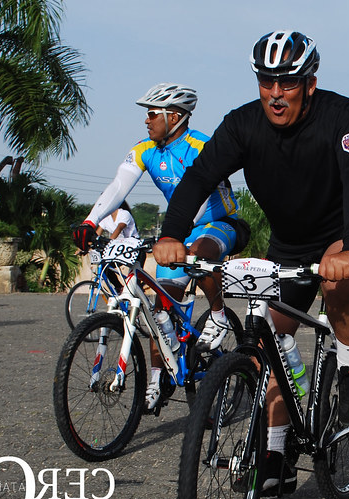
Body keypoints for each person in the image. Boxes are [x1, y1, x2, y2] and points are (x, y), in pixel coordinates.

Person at [153, 30, 349, 495]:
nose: (276, 93)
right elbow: (199, 177)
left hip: (347, 229)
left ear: (309, 84)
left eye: (288, 82)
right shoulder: (242, 125)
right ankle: (276, 456)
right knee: (269, 340)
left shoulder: (344, 116)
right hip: (291, 240)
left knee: (338, 285)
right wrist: (172, 234)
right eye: (266, 81)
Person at [71, 83, 243, 413]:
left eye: (152, 114)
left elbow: (200, 192)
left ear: (174, 117)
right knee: (159, 311)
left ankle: (218, 314)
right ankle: (156, 378)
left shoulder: (200, 146)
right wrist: (91, 221)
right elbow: (118, 186)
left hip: (217, 223)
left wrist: (178, 234)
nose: (146, 120)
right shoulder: (145, 149)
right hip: (176, 234)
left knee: (200, 253)